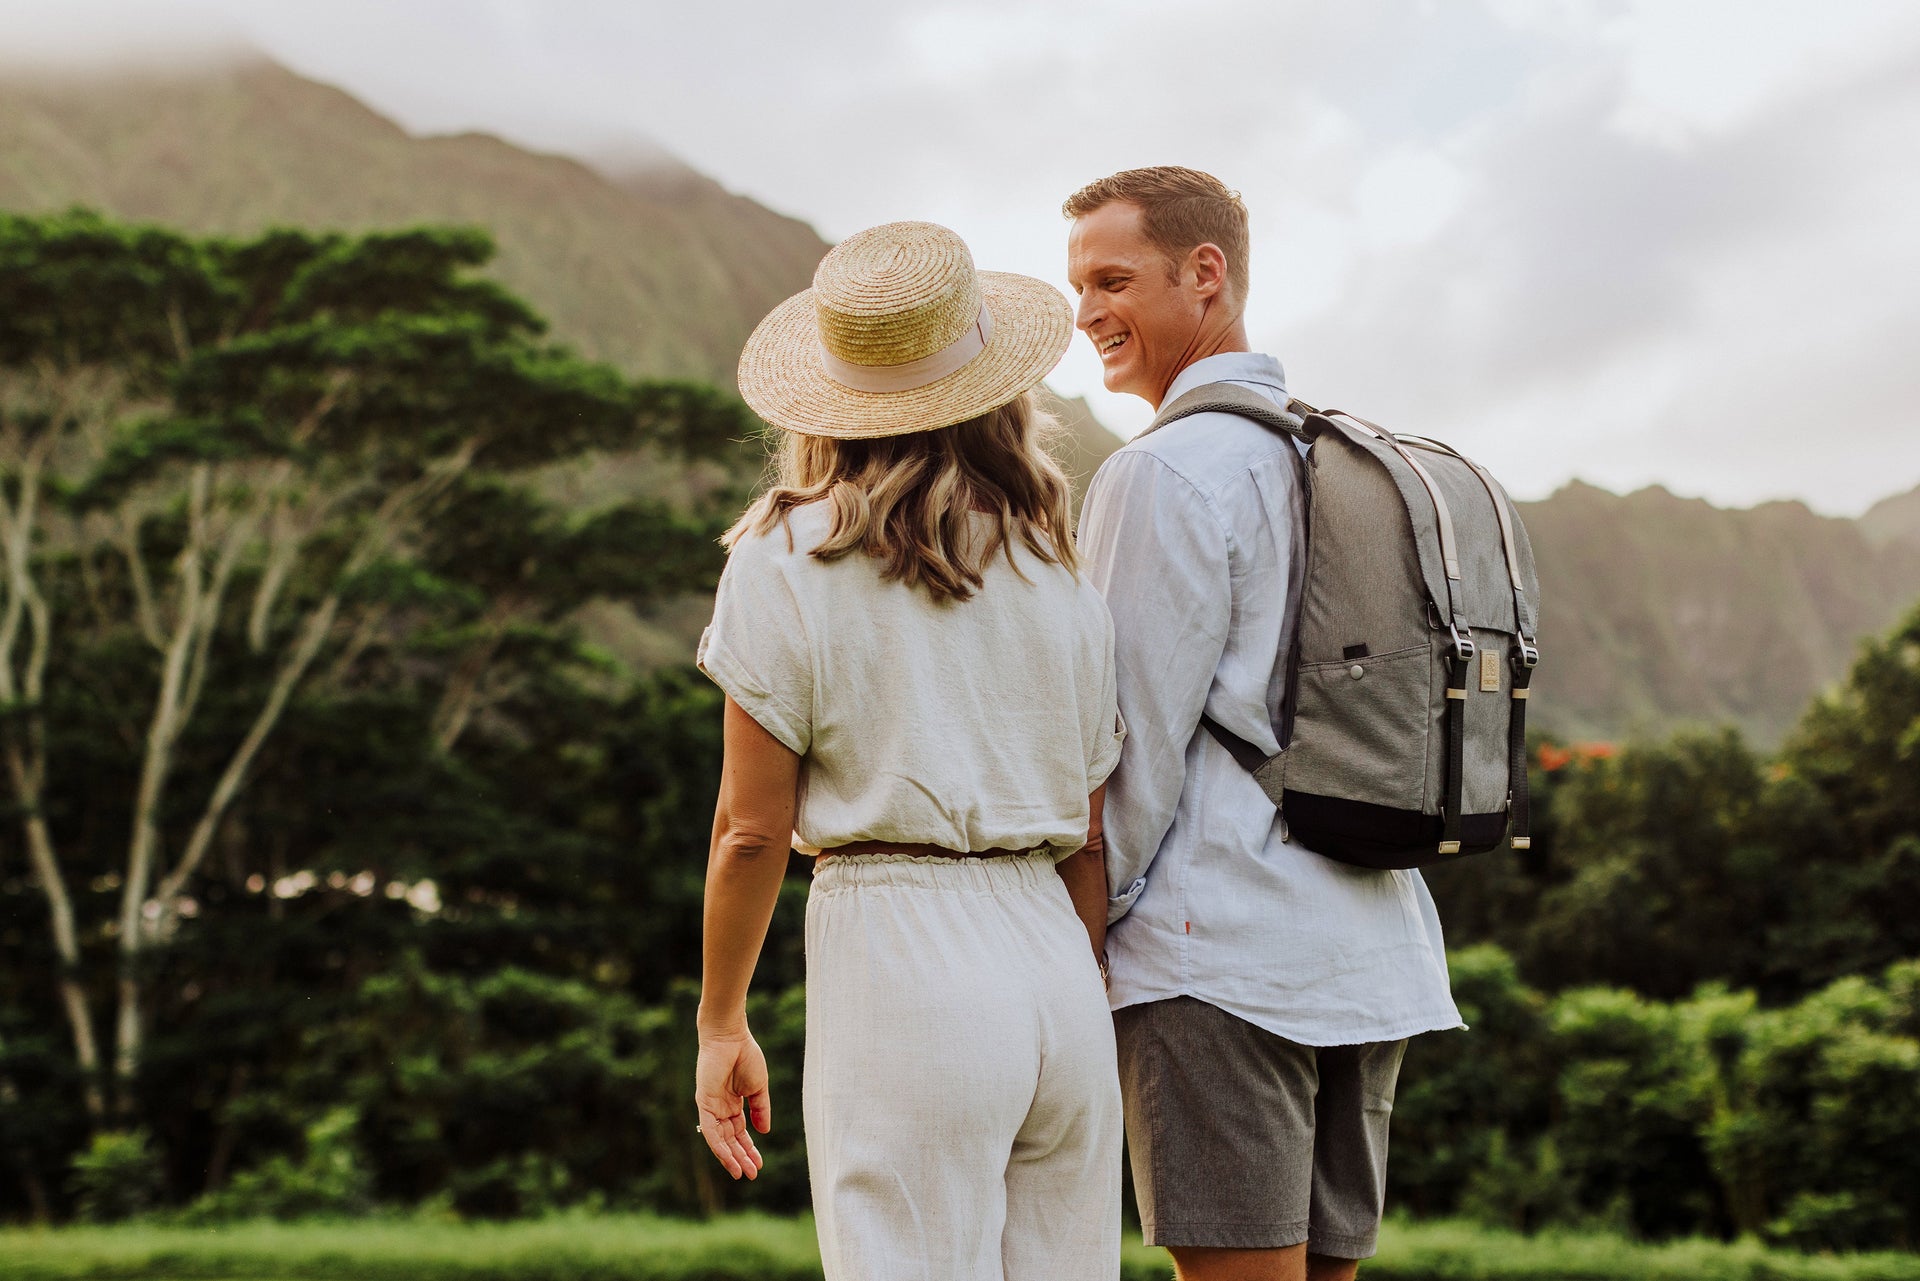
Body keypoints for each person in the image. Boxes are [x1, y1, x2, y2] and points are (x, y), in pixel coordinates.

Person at [693, 220, 1127, 1281]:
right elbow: (1090, 835)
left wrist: (720, 1020)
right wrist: (1068, 973)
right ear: (995, 389)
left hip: (901, 956)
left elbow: (751, 832)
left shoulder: (785, 558)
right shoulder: (1057, 573)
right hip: (1058, 974)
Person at [1065, 167, 1463, 1281]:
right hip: (1369, 947)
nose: (1087, 312)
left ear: (1206, 274)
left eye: (1111, 278)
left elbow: (1120, 751)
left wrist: (1073, 950)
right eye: (1077, 287)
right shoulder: (1336, 459)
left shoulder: (1162, 473)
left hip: (1217, 957)